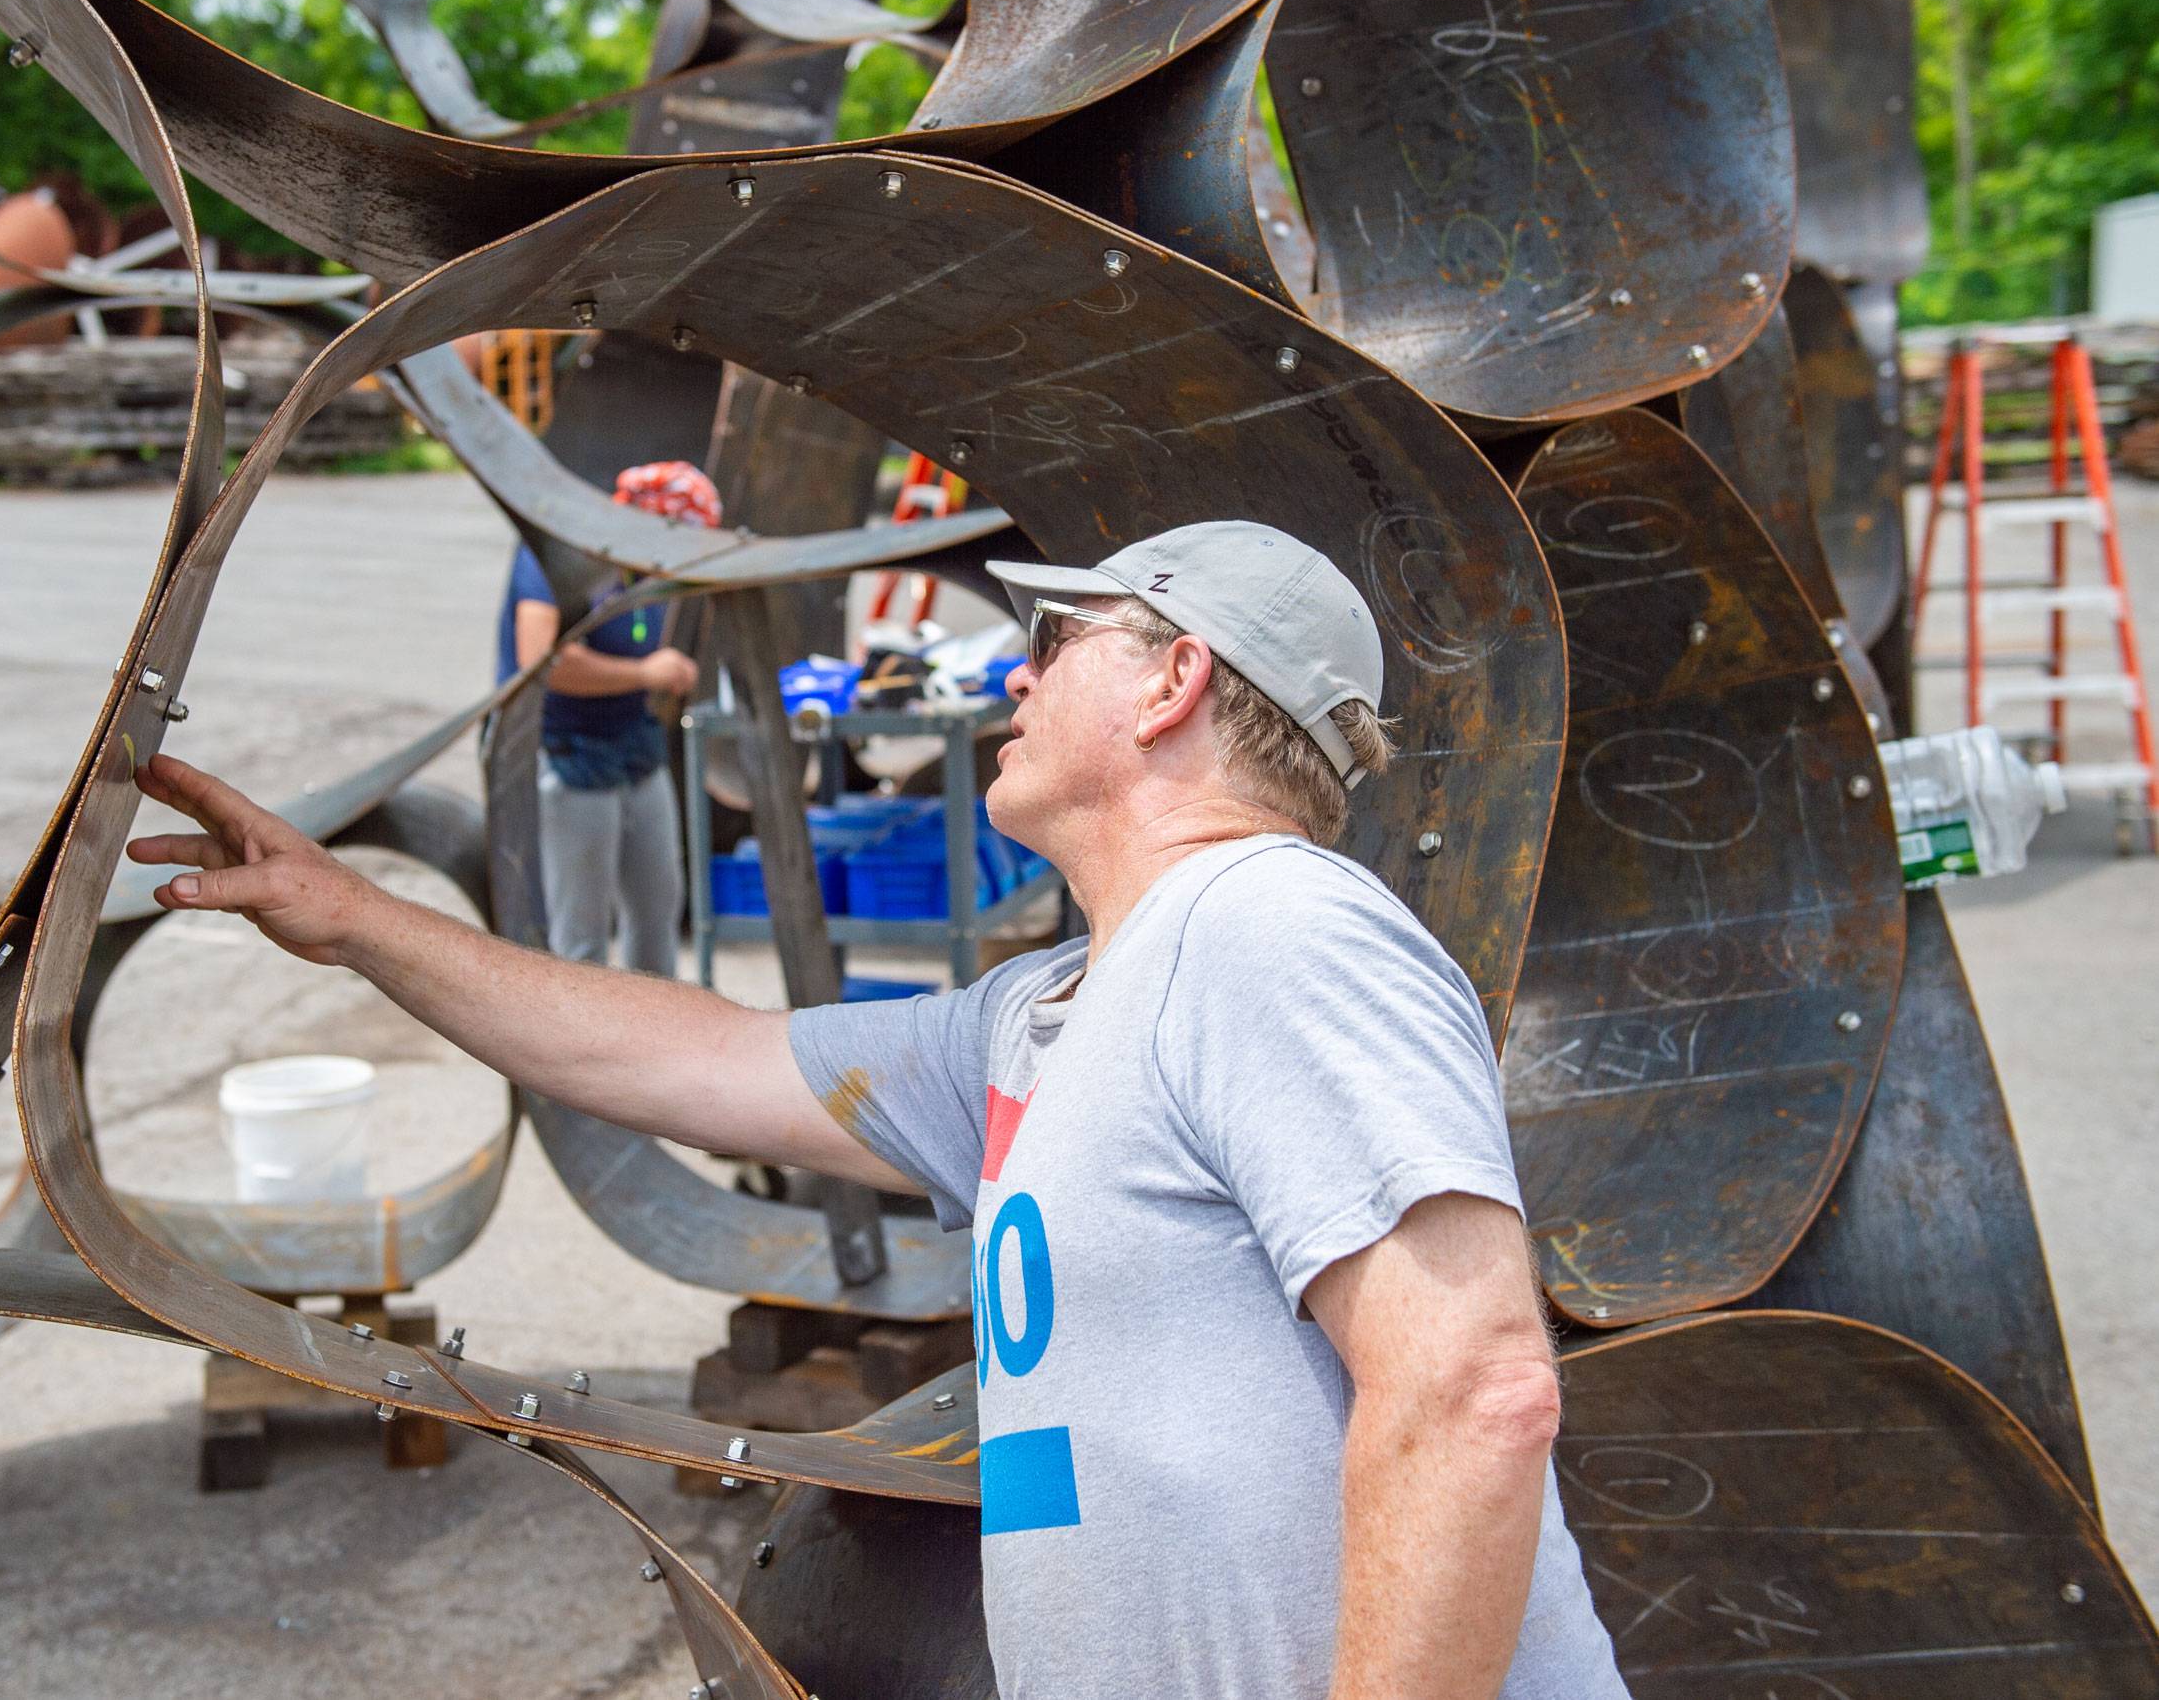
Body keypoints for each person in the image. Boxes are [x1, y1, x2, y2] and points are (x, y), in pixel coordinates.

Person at [131, 519, 1628, 1700]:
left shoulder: (1271, 927)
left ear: (1173, 681)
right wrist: (353, 917)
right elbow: (696, 1058)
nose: (1018, 679)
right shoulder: (1045, 1013)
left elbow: (1473, 1383)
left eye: (1059, 643)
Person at [496, 460, 711, 975]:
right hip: (570, 750)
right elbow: (541, 661)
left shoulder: (640, 566)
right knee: (584, 931)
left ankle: (660, 1032)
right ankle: (586, 1045)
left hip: (633, 741)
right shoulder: (559, 555)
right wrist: (644, 674)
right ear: (644, 523)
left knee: (658, 906)